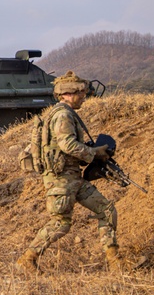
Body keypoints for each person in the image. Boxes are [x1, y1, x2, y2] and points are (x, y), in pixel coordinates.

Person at [17, 71, 127, 273]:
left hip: (72, 179)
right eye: (81, 93)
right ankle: (27, 259)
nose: (84, 97)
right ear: (68, 93)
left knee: (107, 210)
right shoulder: (63, 115)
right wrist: (94, 153)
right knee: (60, 223)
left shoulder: (62, 113)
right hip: (61, 181)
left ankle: (115, 263)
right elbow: (67, 145)